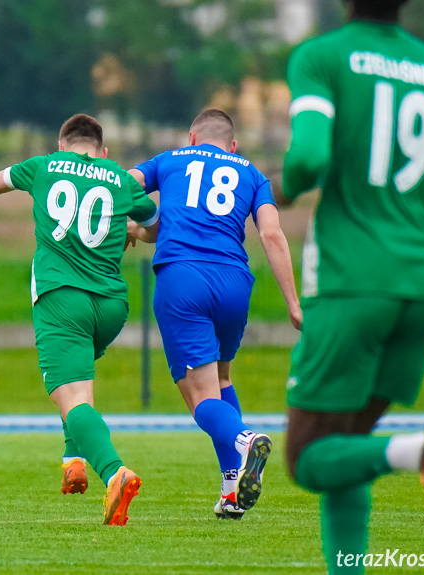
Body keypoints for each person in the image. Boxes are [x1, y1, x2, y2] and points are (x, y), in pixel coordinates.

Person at [280, 0, 424, 571]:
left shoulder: (321, 57)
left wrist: (287, 188)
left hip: (351, 280)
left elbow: (310, 155)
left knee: (308, 456)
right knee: (347, 444)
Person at [0, 113, 160, 526]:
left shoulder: (43, 165)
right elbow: (155, 227)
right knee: (78, 380)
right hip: (112, 305)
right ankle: (73, 459)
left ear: (63, 145)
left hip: (61, 297)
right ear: (103, 151)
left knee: (70, 394)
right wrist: (131, 229)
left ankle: (115, 473)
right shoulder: (121, 179)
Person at [127, 109, 302, 519]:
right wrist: (293, 303)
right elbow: (272, 233)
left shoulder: (168, 161)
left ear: (192, 138)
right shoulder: (254, 175)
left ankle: (245, 438)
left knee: (199, 396)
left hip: (183, 279)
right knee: (221, 380)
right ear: (233, 145)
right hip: (234, 282)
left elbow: (122, 185)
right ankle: (231, 490)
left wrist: (137, 223)